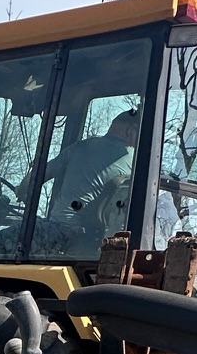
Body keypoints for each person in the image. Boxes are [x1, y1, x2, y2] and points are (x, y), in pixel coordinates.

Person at [35, 107, 140, 252]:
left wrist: (20, 190)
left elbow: (36, 177)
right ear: (131, 131)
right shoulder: (135, 161)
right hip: (93, 240)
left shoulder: (81, 147)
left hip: (57, 234)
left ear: (130, 130)